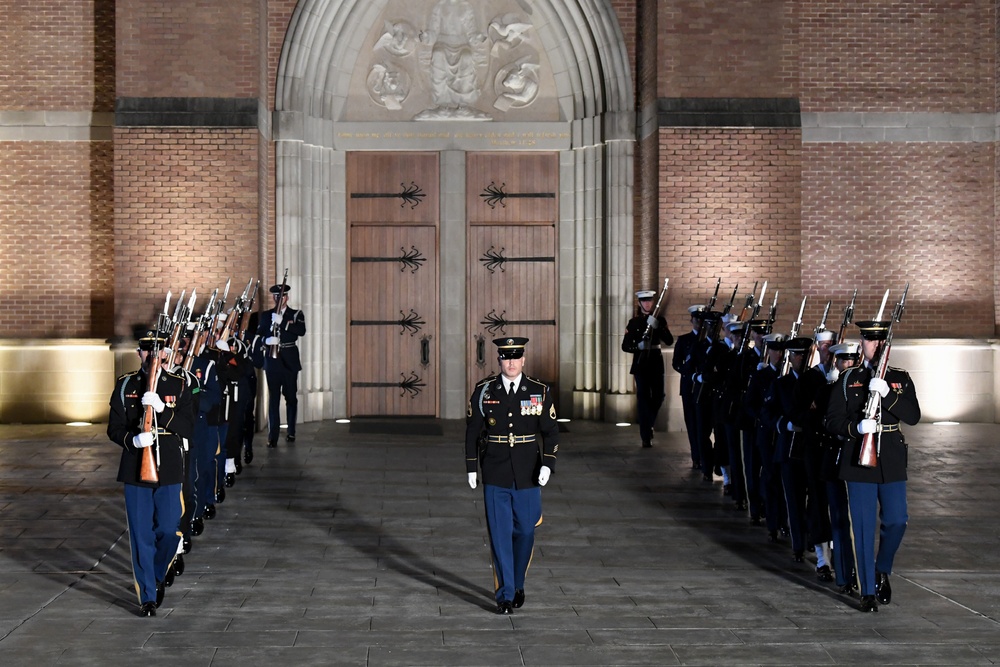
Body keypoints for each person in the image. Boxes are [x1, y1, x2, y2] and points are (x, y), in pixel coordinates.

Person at [825, 319, 921, 612]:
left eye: (881, 342)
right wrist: (857, 427)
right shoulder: (847, 378)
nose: (876, 346)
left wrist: (888, 394)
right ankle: (867, 591)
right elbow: (831, 421)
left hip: (890, 458)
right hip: (859, 458)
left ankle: (881, 569)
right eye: (870, 341)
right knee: (864, 526)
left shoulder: (900, 378)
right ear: (862, 344)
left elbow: (913, 415)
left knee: (897, 520)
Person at [465, 336, 559, 614]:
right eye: (506, 358)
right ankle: (505, 594)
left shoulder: (538, 390)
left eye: (516, 358)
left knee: (526, 531)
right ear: (499, 361)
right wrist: (472, 467)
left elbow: (551, 431)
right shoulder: (485, 390)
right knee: (500, 534)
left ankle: (517, 583)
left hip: (528, 469)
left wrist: (548, 464)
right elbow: (472, 432)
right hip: (495, 469)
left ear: (523, 359)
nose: (511, 363)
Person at [107, 331, 194, 617]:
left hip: (168, 467)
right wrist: (132, 440)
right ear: (139, 353)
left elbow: (188, 427)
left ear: (166, 354)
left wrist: (161, 409)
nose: (152, 356)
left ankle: (156, 574)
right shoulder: (125, 385)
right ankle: (147, 595)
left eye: (157, 351)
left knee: (169, 530)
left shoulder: (179, 386)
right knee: (141, 534)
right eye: (147, 350)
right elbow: (114, 428)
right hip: (135, 468)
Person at [621, 289, 674, 447]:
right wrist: (638, 346)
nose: (647, 303)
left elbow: (669, 341)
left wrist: (658, 326)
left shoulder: (660, 320)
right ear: (639, 303)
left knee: (659, 396)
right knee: (643, 398)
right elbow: (625, 346)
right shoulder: (634, 322)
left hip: (656, 363)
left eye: (650, 300)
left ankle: (648, 423)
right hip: (641, 363)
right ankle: (645, 435)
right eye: (644, 301)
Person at [257, 283, 306, 447]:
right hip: (272, 360)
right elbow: (259, 336)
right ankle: (273, 436)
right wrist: (266, 340)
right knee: (273, 399)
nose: (280, 299)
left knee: (291, 397)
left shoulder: (296, 314)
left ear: (287, 297)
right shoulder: (266, 315)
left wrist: (283, 321)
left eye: (283, 296)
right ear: (273, 298)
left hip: (289, 361)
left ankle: (291, 431)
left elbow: (300, 331)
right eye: (277, 296)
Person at [672, 305, 705, 468]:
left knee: (703, 424)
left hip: (704, 388)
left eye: (701, 319)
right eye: (696, 319)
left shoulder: (709, 342)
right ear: (692, 320)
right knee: (691, 423)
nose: (698, 322)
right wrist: (689, 373)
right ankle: (696, 457)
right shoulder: (684, 340)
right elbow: (676, 363)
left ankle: (705, 455)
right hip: (688, 387)